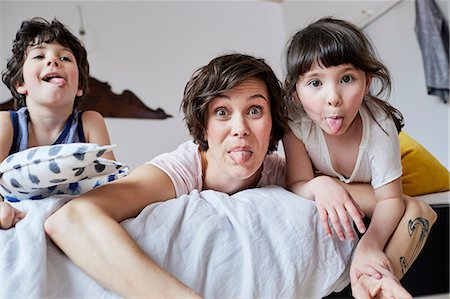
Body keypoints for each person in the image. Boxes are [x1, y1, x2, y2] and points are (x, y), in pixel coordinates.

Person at [45, 52, 419, 299]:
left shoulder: (284, 173)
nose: (240, 128)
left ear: (275, 123)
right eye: (222, 113)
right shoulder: (177, 169)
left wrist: (371, 264)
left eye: (255, 110)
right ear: (203, 126)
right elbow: (71, 218)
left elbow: (407, 206)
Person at [282, 17, 437, 298]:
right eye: (315, 83)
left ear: (367, 83)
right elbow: (297, 184)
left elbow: (389, 199)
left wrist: (370, 245)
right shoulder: (296, 124)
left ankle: (374, 279)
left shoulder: (379, 124)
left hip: (381, 189)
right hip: (348, 191)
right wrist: (319, 185)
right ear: (295, 93)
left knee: (412, 208)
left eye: (346, 79)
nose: (333, 97)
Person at [0, 17, 115, 229]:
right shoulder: (7, 123)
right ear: (21, 83)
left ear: (79, 85)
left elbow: (111, 182)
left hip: (73, 216)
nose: (53, 61)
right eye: (39, 56)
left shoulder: (90, 122)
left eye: (65, 57)